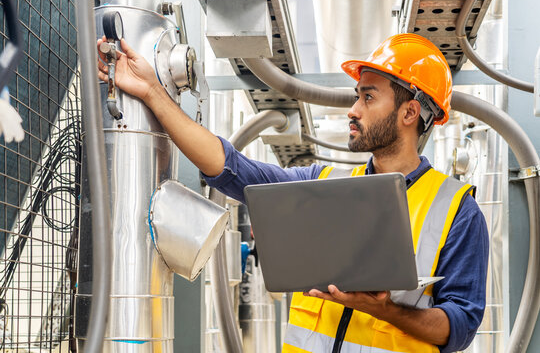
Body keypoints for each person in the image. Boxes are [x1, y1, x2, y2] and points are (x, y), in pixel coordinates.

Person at [97, 33, 488, 353]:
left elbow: (459, 327)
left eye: (368, 97)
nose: (353, 109)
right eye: (357, 95)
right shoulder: (323, 184)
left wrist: (384, 309)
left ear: (409, 113)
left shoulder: (458, 211)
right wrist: (150, 91)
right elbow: (232, 170)